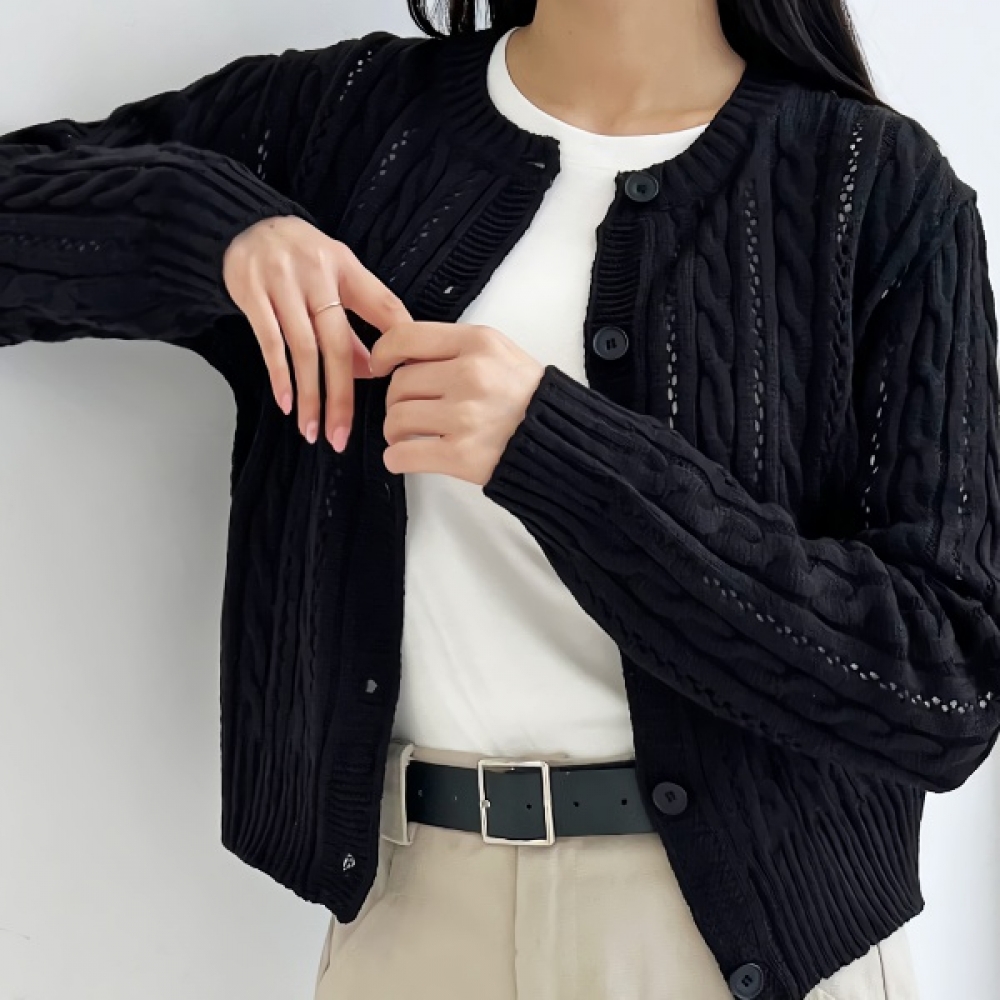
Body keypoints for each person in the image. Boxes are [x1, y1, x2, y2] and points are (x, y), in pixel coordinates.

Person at [1, 0, 997, 998]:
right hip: (416, 924)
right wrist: (216, 228)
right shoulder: (349, 121)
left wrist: (557, 454)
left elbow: (946, 685)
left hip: (756, 944)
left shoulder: (874, 187)